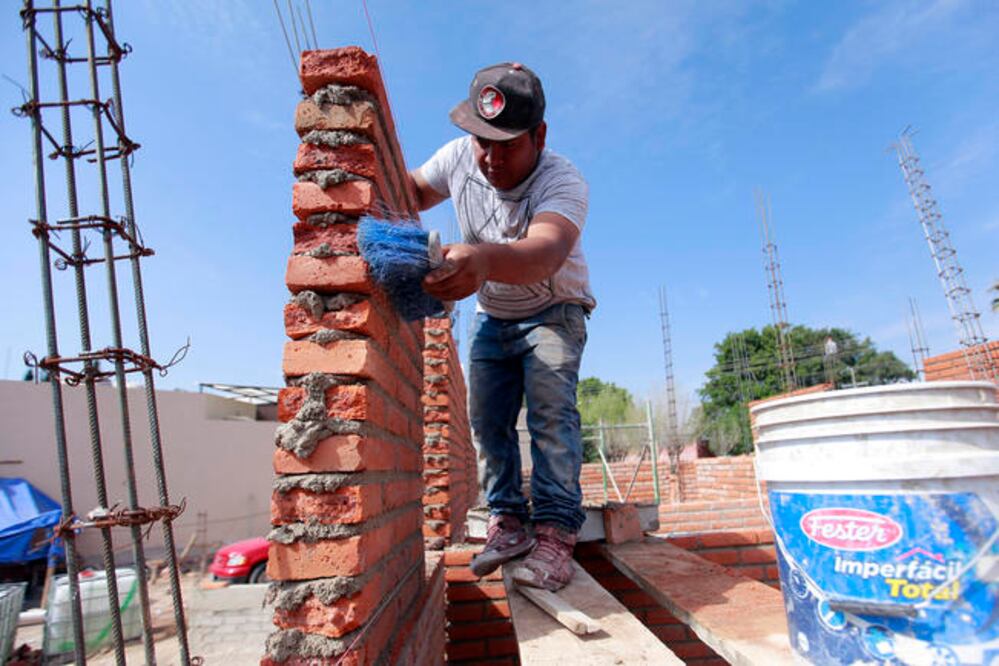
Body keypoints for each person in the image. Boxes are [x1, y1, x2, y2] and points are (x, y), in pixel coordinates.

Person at [407, 62, 596, 591]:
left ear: (539, 135)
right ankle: (507, 522)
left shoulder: (562, 180)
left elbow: (546, 251)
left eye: (506, 145)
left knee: (550, 415)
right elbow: (410, 192)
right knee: (487, 421)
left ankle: (556, 533)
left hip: (555, 312)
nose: (489, 159)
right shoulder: (458, 160)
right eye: (480, 142)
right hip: (495, 315)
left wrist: (482, 261)